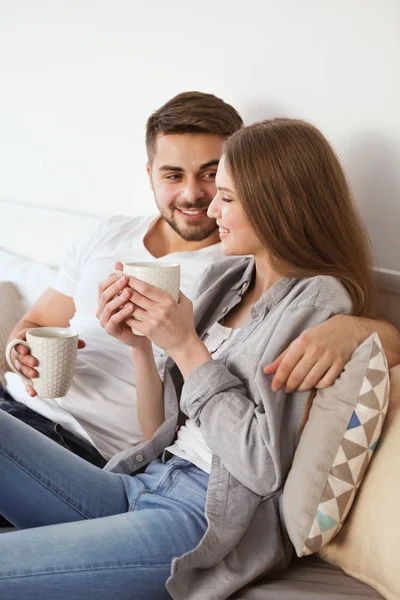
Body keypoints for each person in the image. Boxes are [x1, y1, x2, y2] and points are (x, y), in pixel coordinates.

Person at [0, 118, 390, 598]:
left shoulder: (316, 302)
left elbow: (261, 465)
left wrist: (186, 347)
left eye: (225, 196)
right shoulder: (228, 281)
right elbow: (156, 433)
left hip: (199, 520)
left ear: (277, 204)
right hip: (143, 481)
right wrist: (141, 346)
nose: (210, 206)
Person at [1, 92, 399, 470]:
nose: (194, 196)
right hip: (17, 403)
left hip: (77, 445)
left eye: (211, 176)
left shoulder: (239, 271)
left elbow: (351, 314)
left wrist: (353, 328)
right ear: (150, 175)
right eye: (173, 175)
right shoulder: (107, 234)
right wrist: (20, 352)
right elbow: (35, 323)